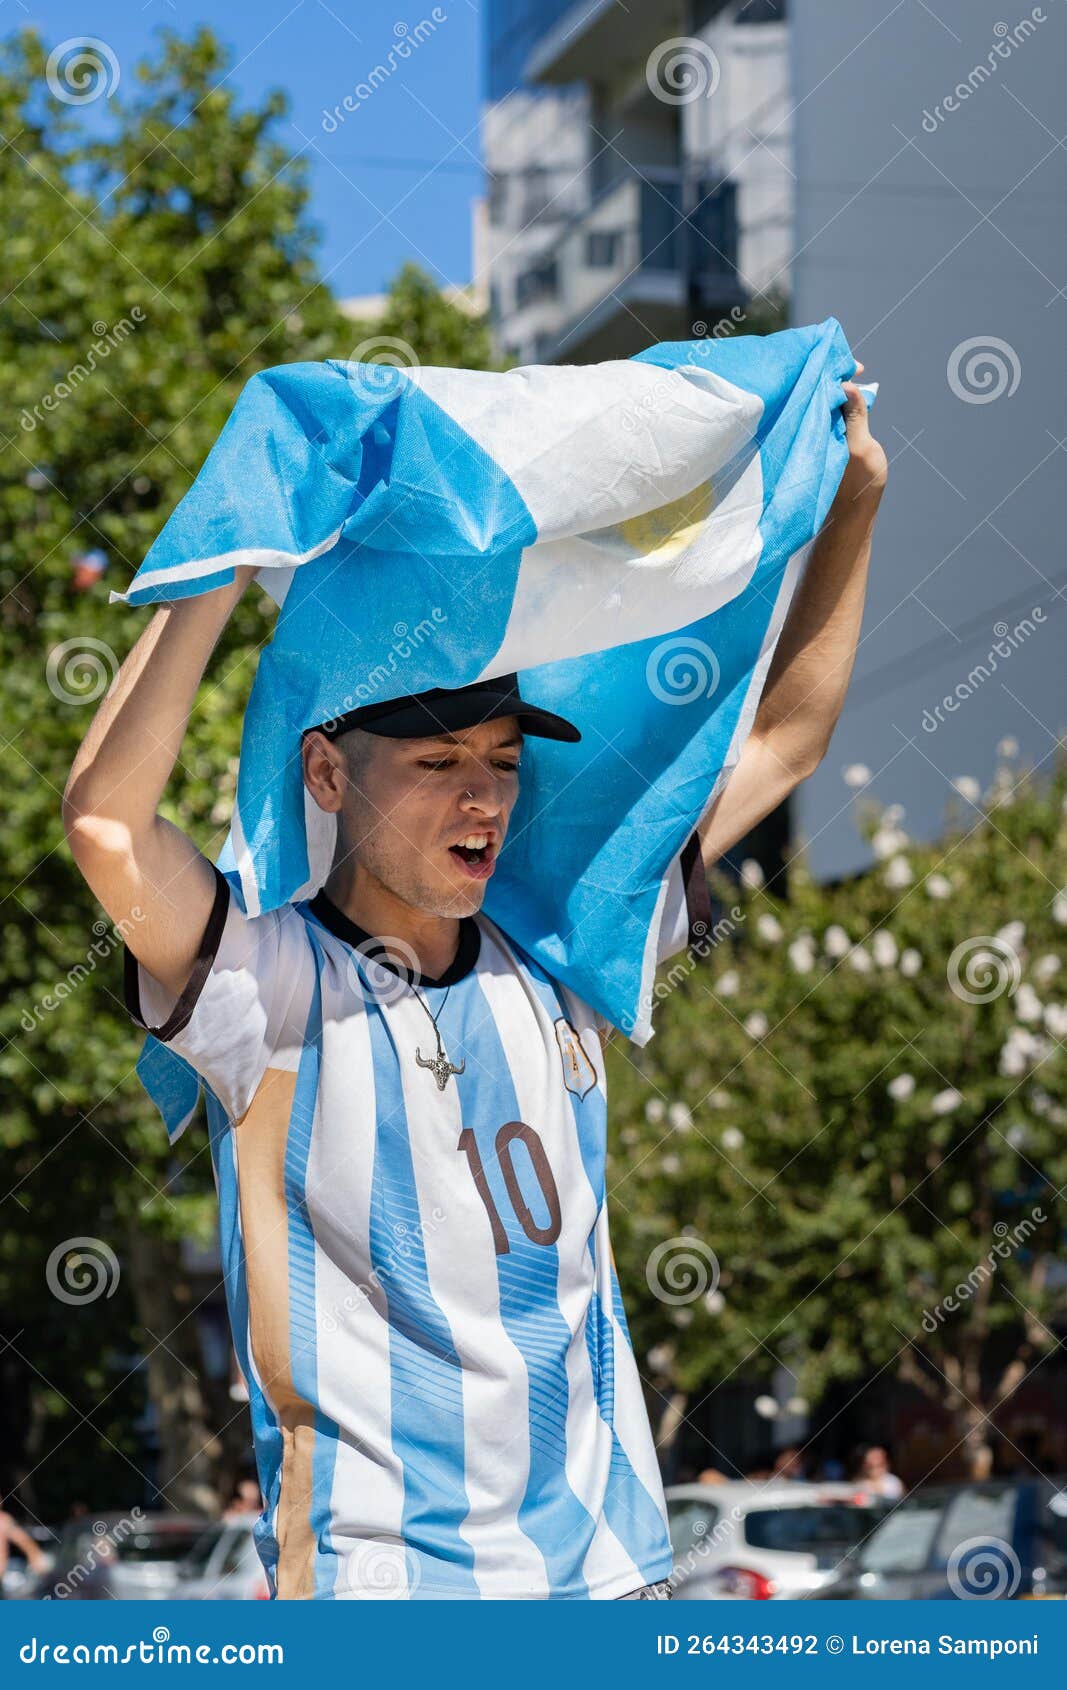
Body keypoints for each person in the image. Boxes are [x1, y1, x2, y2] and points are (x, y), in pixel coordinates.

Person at [63, 377, 885, 1599]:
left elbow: (784, 741)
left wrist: (854, 501)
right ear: (327, 773)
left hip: (608, 1577)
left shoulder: (561, 949)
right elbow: (107, 824)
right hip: (384, 1594)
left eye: (501, 763)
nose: (483, 797)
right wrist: (225, 564)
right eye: (439, 761)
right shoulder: (266, 980)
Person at [0, 1493, 49, 1595]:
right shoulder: (3, 1521)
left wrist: (36, 1557)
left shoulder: (3, 1520)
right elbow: (23, 1540)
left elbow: (23, 1540)